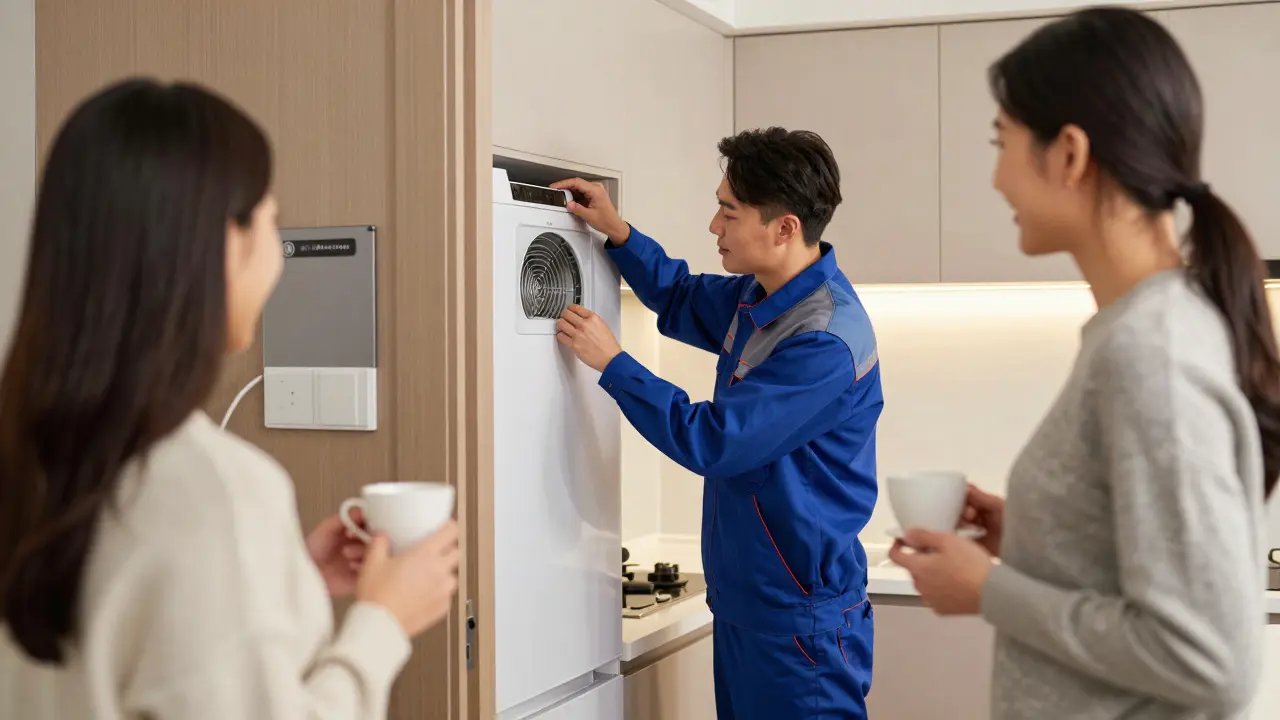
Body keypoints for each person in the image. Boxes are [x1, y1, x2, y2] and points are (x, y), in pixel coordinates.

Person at [0, 78, 460, 719]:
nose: (279, 255)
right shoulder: (215, 492)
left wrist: (283, 581)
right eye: (272, 222)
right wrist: (382, 624)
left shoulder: (27, 453)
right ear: (224, 241)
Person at [888, 8, 1277, 720]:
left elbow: (1212, 659)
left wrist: (990, 590)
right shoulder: (1136, 331)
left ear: (1069, 153)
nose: (998, 178)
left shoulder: (1151, 352)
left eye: (1002, 142)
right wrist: (1039, 530)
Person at [553, 127, 883, 719]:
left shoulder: (824, 341)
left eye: (728, 213)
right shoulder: (759, 300)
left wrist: (614, 364)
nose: (714, 227)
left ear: (784, 227)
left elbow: (713, 441)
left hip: (798, 627)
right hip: (749, 610)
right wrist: (617, 231)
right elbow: (679, 295)